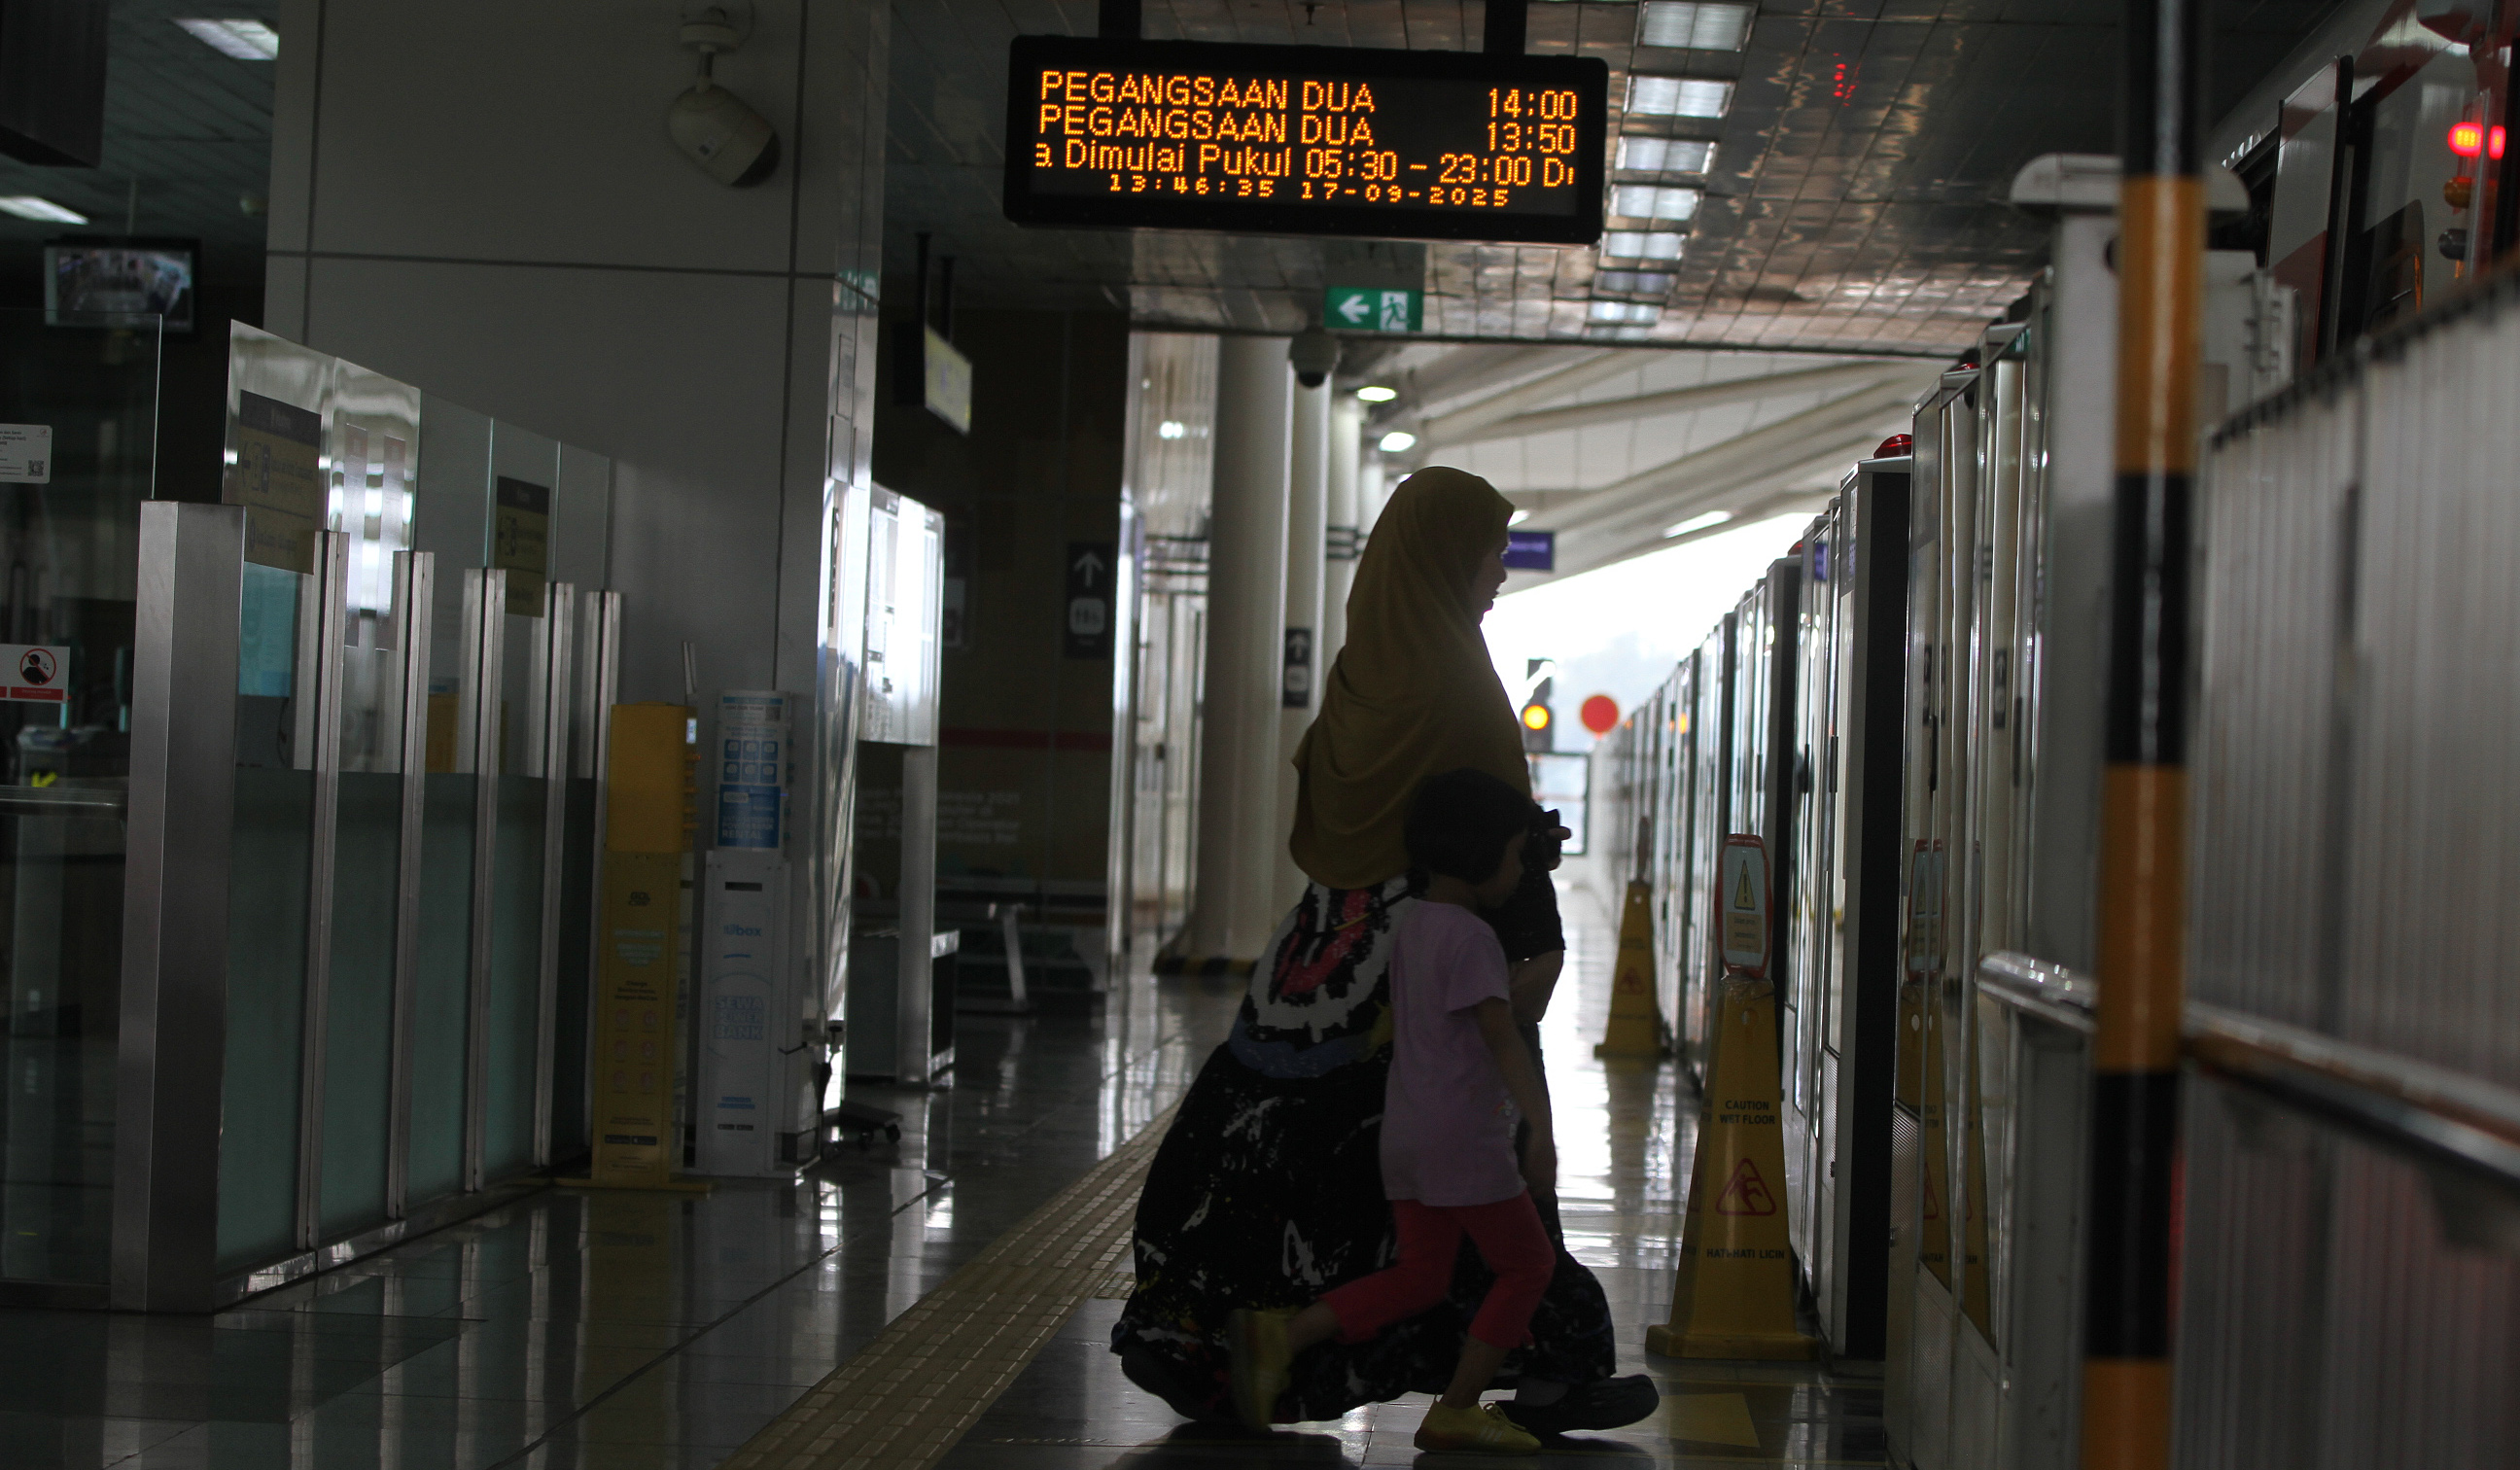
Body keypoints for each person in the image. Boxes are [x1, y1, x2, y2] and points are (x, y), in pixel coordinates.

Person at [1113, 467, 1657, 1434]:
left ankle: (1225, 1338)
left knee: (1292, 1172)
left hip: (1315, 970)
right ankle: (1547, 1364)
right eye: (1487, 551)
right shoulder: (1461, 690)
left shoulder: (1360, 675)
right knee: (1483, 1187)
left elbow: (1323, 824)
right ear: (1445, 557)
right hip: (1438, 977)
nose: (1497, 570)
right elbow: (1499, 848)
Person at [1229, 768, 1558, 1453]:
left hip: (1407, 1136)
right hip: (1462, 1140)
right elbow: (1502, 1035)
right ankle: (1459, 1407)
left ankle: (1281, 1337)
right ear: (1479, 855)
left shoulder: (1414, 926)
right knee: (1528, 1266)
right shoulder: (1472, 939)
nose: (1521, 870)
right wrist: (1539, 1129)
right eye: (1516, 854)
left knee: (1420, 1276)